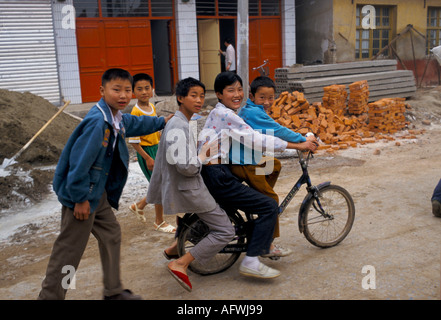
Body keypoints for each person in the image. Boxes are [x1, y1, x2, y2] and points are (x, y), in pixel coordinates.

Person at [38, 68, 172, 300]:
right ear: (102, 90)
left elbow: (135, 123)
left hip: (95, 193)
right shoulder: (97, 123)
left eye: (127, 90)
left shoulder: (115, 116)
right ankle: (50, 297)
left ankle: (113, 291)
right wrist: (80, 199)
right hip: (81, 196)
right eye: (116, 89)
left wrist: (161, 122)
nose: (123, 95)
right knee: (69, 252)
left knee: (111, 235)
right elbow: (78, 166)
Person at [198, 72, 317, 279]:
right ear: (218, 94)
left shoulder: (226, 112)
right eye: (230, 90)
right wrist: (299, 144)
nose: (236, 94)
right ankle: (257, 254)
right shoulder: (228, 115)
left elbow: (269, 133)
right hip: (221, 172)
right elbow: (260, 138)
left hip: (223, 168)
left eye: (238, 89)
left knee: (273, 165)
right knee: (270, 204)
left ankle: (178, 247)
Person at [146, 77, 235, 292]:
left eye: (202, 96)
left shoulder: (184, 122)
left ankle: (174, 249)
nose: (199, 100)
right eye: (193, 95)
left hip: (186, 186)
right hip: (188, 188)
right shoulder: (177, 125)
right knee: (225, 231)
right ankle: (181, 263)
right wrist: (205, 154)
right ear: (180, 98)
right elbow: (187, 167)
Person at [231, 76, 318, 255]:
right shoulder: (253, 113)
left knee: (275, 165)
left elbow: (273, 131)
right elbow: (278, 130)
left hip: (249, 158)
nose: (267, 102)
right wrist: (302, 140)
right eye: (262, 97)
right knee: (271, 201)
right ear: (252, 96)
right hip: (245, 162)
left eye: (271, 98)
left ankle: (257, 200)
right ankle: (267, 244)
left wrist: (298, 139)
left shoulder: (252, 110)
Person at [128, 73, 175, 233]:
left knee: (158, 185)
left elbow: (157, 129)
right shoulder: (136, 112)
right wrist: (147, 157)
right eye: (139, 89)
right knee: (160, 186)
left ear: (152, 89)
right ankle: (159, 222)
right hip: (146, 152)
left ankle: (139, 206)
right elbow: (134, 141)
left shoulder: (152, 107)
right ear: (133, 91)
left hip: (156, 149)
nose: (144, 92)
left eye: (147, 88)